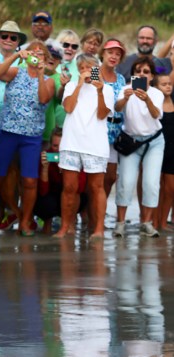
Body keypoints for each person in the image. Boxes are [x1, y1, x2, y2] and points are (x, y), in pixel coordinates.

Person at [0, 42, 55, 236]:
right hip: (8, 131)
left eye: (41, 54)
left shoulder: (49, 80)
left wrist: (40, 74)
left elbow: (43, 99)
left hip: (31, 136)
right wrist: (17, 56)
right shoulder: (16, 72)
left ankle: (25, 221)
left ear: (46, 59)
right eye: (34, 53)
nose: (37, 56)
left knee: (30, 180)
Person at [53, 54, 114, 239]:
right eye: (83, 68)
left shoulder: (108, 89)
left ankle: (99, 230)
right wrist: (79, 84)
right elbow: (69, 108)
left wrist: (100, 90)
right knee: (69, 187)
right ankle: (65, 227)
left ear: (98, 69)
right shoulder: (71, 86)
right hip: (72, 142)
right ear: (78, 70)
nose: (87, 71)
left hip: (95, 144)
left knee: (96, 187)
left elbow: (103, 115)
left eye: (91, 68)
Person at [0, 21, 28, 232]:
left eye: (13, 37)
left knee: (14, 174)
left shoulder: (26, 59)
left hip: (17, 124)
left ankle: (9, 216)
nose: (8, 40)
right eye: (4, 36)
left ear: (19, 41)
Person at [112, 58, 164, 238]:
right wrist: (125, 98)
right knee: (125, 182)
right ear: (133, 74)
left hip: (154, 141)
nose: (141, 74)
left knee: (151, 183)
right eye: (138, 71)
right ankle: (120, 223)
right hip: (130, 140)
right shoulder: (125, 89)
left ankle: (146, 223)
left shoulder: (157, 94)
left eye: (146, 72)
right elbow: (117, 109)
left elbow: (157, 114)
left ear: (152, 77)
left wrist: (147, 99)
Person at [34, 128, 88, 235]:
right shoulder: (47, 155)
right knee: (43, 201)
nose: (58, 150)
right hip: (51, 195)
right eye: (55, 146)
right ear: (50, 145)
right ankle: (47, 223)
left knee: (78, 194)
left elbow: (80, 187)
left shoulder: (75, 156)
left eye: (62, 146)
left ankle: (70, 223)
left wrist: (67, 170)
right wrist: (44, 169)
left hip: (70, 194)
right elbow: (43, 191)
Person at [97, 39, 127, 199]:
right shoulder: (95, 71)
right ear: (103, 53)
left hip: (115, 133)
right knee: (94, 177)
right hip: (97, 130)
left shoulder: (121, 79)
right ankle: (87, 214)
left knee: (110, 177)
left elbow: (119, 107)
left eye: (118, 54)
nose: (114, 56)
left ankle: (99, 211)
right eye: (110, 52)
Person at [156, 73, 174, 231]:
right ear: (156, 87)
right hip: (156, 150)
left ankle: (163, 222)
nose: (168, 86)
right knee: (155, 187)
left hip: (172, 151)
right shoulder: (154, 104)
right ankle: (153, 221)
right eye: (163, 84)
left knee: (170, 189)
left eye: (169, 83)